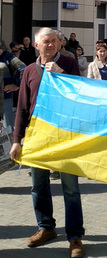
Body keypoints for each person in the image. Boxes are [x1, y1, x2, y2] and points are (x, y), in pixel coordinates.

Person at [9, 27, 84, 258]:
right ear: (36, 44)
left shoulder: (70, 65)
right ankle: (45, 228)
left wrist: (61, 73)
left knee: (70, 187)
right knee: (38, 185)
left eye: (54, 41)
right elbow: (22, 107)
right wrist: (17, 140)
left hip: (65, 135)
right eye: (45, 41)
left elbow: (81, 96)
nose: (50, 45)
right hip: (37, 136)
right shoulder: (30, 70)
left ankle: (75, 236)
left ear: (60, 44)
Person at [0, 43, 22, 129]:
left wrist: (17, 85)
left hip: (4, 97)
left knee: (8, 128)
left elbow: (24, 70)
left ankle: (13, 142)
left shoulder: (8, 57)